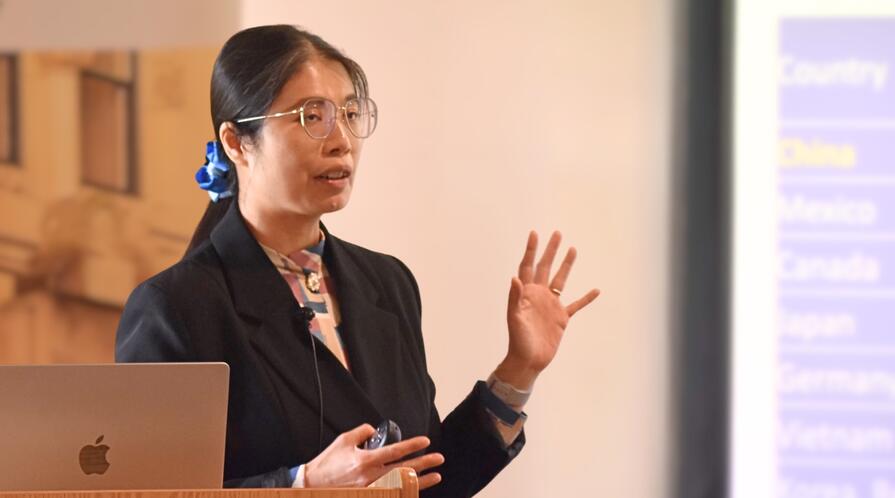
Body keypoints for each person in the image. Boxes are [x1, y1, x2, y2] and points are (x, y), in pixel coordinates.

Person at [115, 24, 599, 497]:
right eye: (311, 116)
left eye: (349, 113)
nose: (341, 139)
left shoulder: (387, 283)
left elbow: (426, 482)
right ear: (237, 142)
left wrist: (519, 369)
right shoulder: (175, 306)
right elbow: (148, 492)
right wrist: (300, 486)